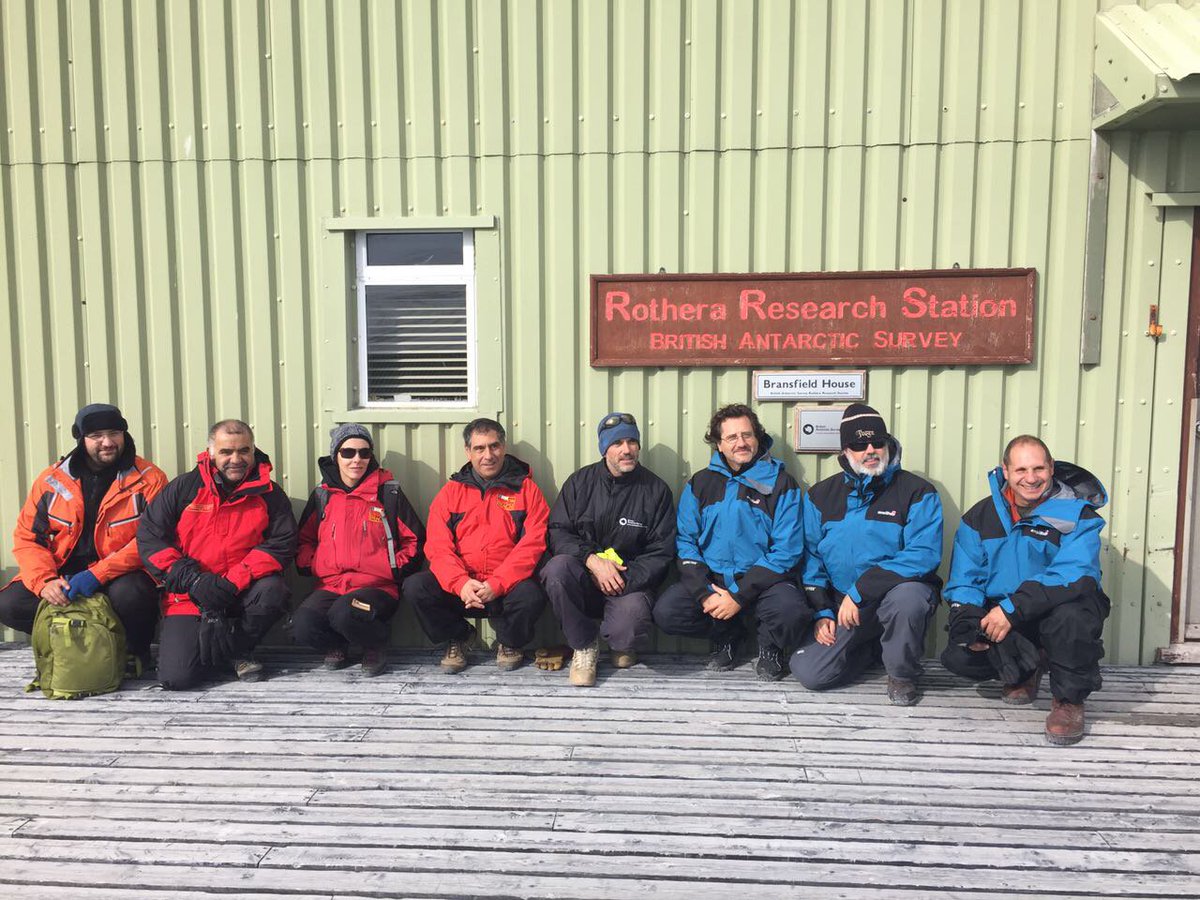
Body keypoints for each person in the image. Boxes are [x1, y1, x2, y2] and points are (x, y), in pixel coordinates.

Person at [941, 435, 1109, 745]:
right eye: (1020, 470)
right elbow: (965, 579)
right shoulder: (979, 517)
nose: (1030, 478)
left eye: (1038, 469)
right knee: (959, 656)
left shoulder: (1078, 515)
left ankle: (1068, 701)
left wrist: (1012, 609)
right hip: (1008, 611)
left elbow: (1073, 574)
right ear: (1005, 471)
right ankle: (1024, 671)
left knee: (1071, 616)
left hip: (1059, 606)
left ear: (1051, 468)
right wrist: (967, 619)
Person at [791, 403, 943, 705]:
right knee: (810, 672)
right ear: (846, 451)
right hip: (844, 605)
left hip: (891, 597)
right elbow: (812, 558)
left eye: (877, 442)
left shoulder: (917, 491)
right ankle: (872, 649)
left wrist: (863, 589)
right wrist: (822, 611)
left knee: (909, 597)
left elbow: (923, 554)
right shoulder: (820, 496)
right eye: (860, 445)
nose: (871, 450)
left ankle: (901, 675)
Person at [0, 403, 167, 673]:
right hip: (64, 575)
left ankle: (133, 652)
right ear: (80, 438)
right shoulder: (51, 480)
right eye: (96, 435)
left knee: (133, 595)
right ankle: (75, 645)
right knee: (9, 604)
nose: (107, 442)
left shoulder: (150, 479)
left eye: (114, 433)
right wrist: (45, 582)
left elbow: (152, 540)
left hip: (120, 575)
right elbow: (28, 538)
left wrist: (98, 575)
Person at [652, 403, 808, 680]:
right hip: (714, 580)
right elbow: (686, 542)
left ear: (757, 437)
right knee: (668, 612)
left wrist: (738, 595)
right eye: (732, 437)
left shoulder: (782, 484)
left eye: (747, 435)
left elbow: (787, 550)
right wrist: (705, 593)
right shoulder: (700, 483)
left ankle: (770, 644)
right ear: (719, 445)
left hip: (765, 581)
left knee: (791, 611)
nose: (741, 443)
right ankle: (728, 634)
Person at [138, 419, 297, 689]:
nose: (236, 459)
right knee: (177, 678)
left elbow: (282, 543)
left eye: (243, 451)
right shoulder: (184, 488)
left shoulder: (269, 494)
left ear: (253, 450)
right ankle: (216, 649)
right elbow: (150, 537)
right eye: (226, 452)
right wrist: (193, 580)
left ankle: (237, 649)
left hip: (241, 591)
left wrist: (233, 580)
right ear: (211, 452)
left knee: (274, 591)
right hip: (189, 595)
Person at [403, 418, 549, 672]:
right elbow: (438, 546)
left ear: (503, 447)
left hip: (505, 589)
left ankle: (509, 642)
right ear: (468, 451)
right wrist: (460, 583)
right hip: (462, 590)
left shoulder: (527, 490)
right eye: (479, 448)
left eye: (494, 446)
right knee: (416, 586)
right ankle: (459, 636)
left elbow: (533, 544)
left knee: (532, 593)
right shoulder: (451, 492)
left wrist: (498, 583)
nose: (488, 455)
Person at [541, 412, 676, 686]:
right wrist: (591, 561)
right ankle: (584, 646)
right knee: (556, 570)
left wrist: (620, 577)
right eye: (617, 443)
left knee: (627, 629)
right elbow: (558, 531)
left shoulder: (656, 491)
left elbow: (661, 552)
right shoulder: (579, 483)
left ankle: (620, 642)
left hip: (629, 584)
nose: (626, 450)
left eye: (632, 442)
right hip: (583, 577)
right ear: (604, 449)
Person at [293, 424, 425, 676]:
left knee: (344, 612)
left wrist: (392, 568)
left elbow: (415, 540)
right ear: (336, 456)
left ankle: (375, 645)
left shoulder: (388, 493)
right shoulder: (323, 496)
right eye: (348, 452)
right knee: (302, 624)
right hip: (331, 585)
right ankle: (337, 646)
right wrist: (315, 563)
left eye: (364, 453)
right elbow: (304, 540)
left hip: (377, 587)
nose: (357, 459)